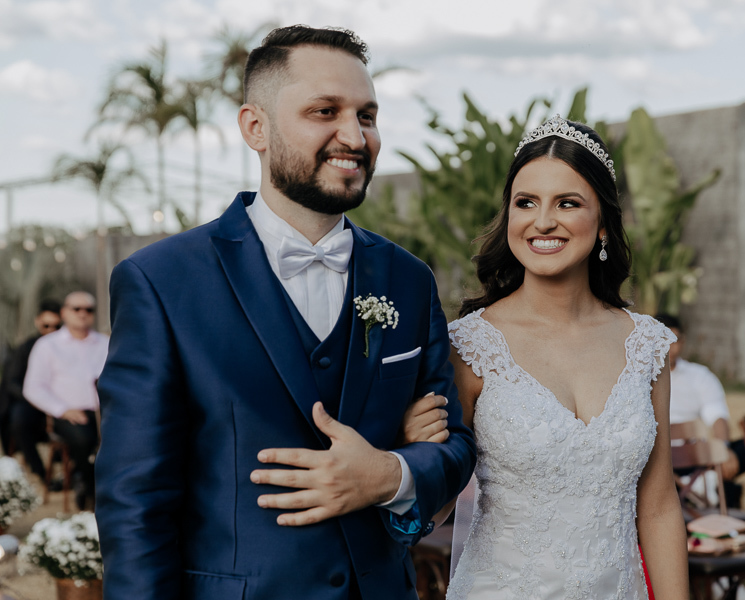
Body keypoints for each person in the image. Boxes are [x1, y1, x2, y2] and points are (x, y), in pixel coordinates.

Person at [94, 25, 475, 600]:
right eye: (325, 111)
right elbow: (134, 506)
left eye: (367, 116)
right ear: (256, 127)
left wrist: (389, 475)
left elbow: (455, 448)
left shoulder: (409, 280)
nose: (354, 135)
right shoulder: (161, 282)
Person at [404, 116, 688, 599]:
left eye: (568, 203)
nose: (542, 221)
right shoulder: (469, 347)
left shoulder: (648, 346)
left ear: (602, 224)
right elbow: (436, 508)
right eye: (526, 203)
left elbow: (659, 507)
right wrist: (416, 452)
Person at [655, 314, 745, 508]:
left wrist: (723, 449)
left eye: (673, 339)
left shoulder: (699, 375)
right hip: (660, 461)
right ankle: (709, 484)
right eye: (662, 339)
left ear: (682, 341)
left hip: (697, 456)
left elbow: (717, 415)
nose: (668, 346)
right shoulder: (637, 378)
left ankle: (698, 483)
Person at [22, 292, 107, 509]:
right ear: (64, 313)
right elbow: (33, 387)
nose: (82, 314)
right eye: (76, 309)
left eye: (88, 310)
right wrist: (62, 410)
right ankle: (87, 487)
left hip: (105, 413)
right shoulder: (47, 345)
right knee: (84, 440)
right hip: (67, 414)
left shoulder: (105, 342)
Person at [0, 299, 62, 481]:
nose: (51, 330)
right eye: (46, 325)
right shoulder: (26, 347)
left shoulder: (65, 346)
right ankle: (41, 473)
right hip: (31, 402)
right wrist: (35, 398)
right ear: (38, 322)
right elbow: (12, 382)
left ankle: (76, 476)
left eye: (56, 326)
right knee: (18, 420)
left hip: (63, 402)